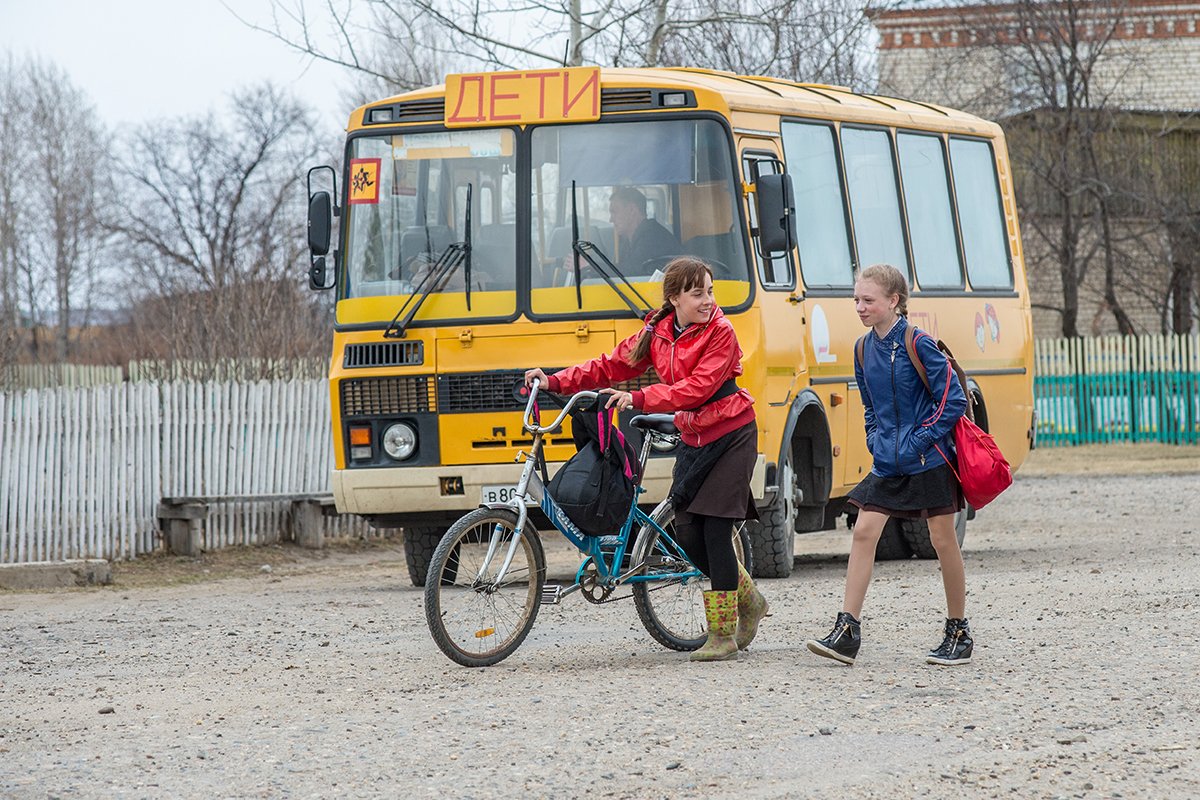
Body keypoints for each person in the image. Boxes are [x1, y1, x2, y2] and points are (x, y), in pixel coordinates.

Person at [525, 256, 768, 662]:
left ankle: (723, 635)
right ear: (674, 298)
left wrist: (639, 397)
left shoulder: (721, 333)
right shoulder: (655, 332)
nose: (708, 300)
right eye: (698, 293)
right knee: (687, 533)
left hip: (731, 433)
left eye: (710, 291)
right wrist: (553, 380)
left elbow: (697, 388)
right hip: (693, 434)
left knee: (714, 529)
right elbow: (610, 365)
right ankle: (751, 599)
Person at [805, 263, 974, 667]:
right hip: (887, 461)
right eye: (856, 300)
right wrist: (874, 440)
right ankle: (847, 631)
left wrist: (919, 439)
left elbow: (953, 400)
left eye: (868, 300)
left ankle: (958, 631)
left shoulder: (920, 344)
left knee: (942, 539)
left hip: (929, 459)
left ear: (893, 301)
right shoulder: (863, 349)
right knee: (864, 531)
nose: (859, 307)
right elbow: (868, 405)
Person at [608, 187, 681, 273]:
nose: (611, 219)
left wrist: (592, 268)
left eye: (614, 212)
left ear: (632, 210)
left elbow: (632, 272)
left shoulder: (654, 238)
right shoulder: (627, 242)